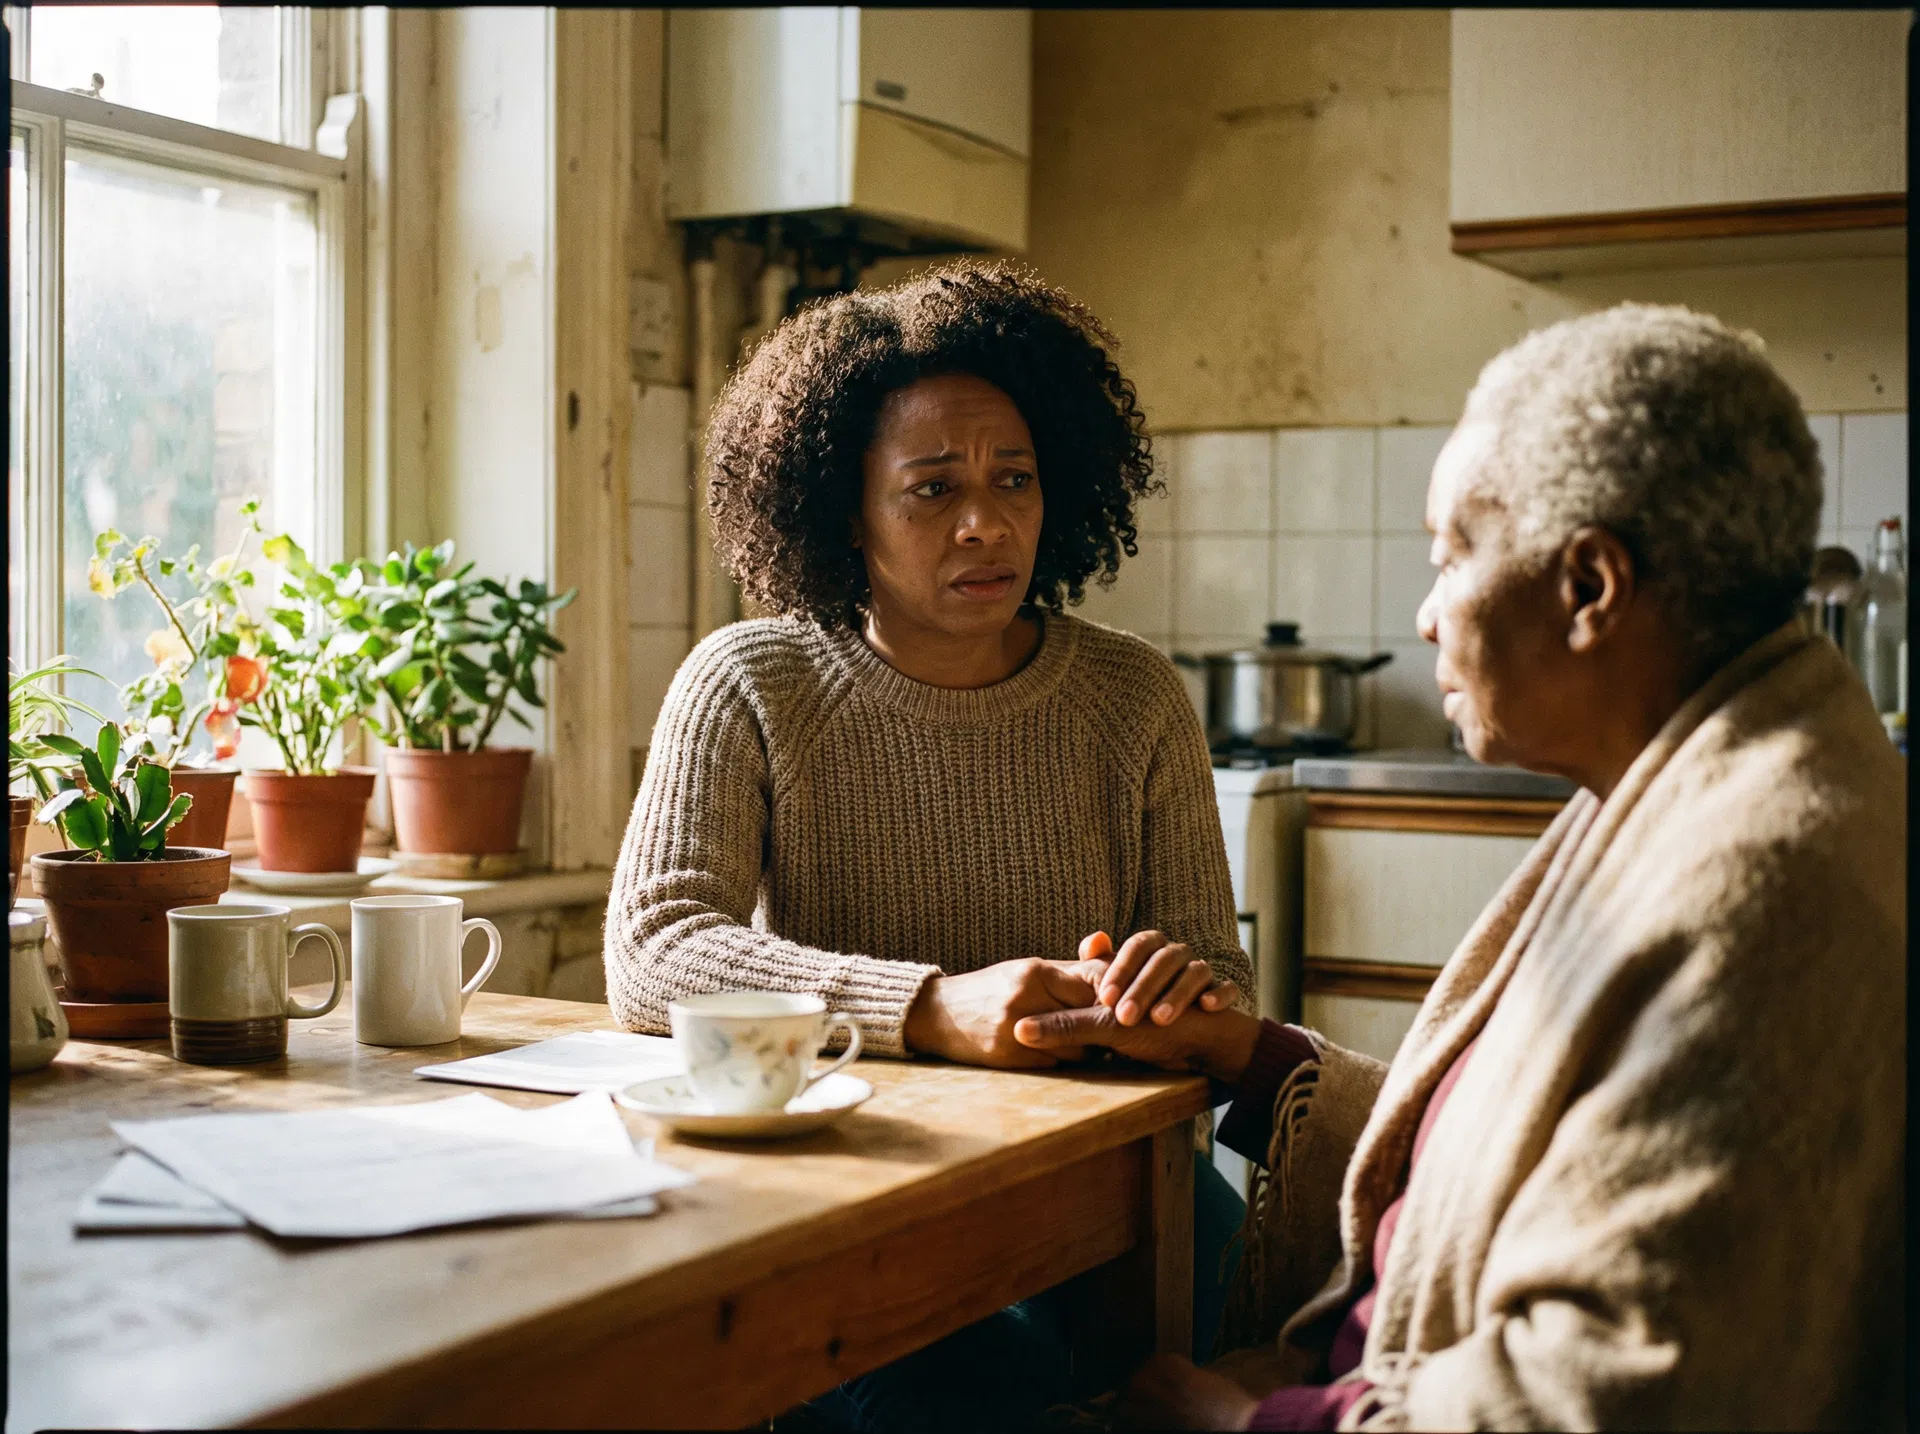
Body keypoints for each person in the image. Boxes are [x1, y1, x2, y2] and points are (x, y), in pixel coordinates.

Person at [1017, 304, 1906, 1431]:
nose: (1429, 617)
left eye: (1452, 556)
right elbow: (1511, 1160)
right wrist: (1248, 1057)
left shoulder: (1766, 898)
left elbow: (1606, 1394)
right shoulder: (1700, 775)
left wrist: (1246, 1423)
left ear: (1590, 588)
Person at [603, 260, 1253, 1430]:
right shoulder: (750, 682)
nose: (985, 521)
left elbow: (1224, 987)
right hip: (856, 1187)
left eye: (1015, 479)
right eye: (932, 487)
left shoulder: (1134, 696)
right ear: (843, 509)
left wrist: (1179, 1000)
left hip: (1098, 1187)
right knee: (966, 1395)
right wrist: (928, 1008)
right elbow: (653, 949)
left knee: (1267, 1307)